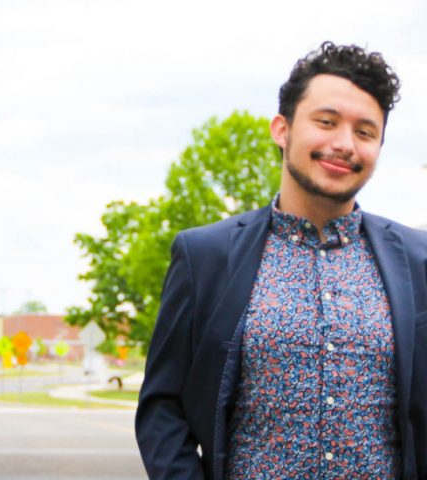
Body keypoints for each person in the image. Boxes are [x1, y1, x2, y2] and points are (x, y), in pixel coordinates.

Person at [135, 41, 427, 479]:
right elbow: (163, 406)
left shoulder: (420, 260)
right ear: (282, 129)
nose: (344, 143)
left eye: (365, 132)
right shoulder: (206, 256)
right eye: (326, 122)